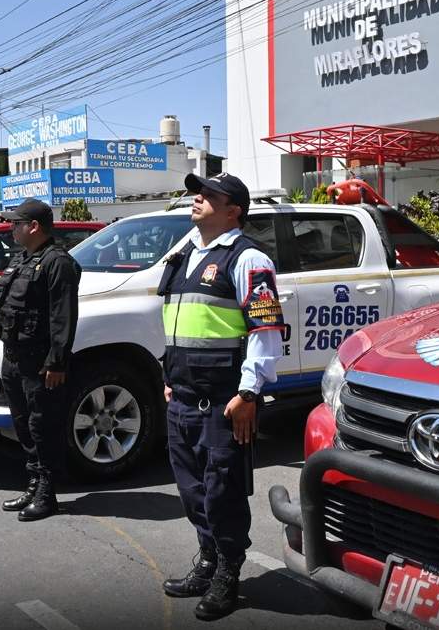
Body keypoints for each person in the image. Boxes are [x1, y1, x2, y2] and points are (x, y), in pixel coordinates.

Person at [158, 173, 284, 621]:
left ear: (234, 210)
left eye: (210, 194)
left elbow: (265, 330)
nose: (199, 198)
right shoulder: (184, 254)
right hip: (182, 398)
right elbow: (178, 323)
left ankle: (228, 571)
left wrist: (249, 392)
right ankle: (207, 560)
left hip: (224, 402)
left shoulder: (248, 259)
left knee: (222, 490)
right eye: (198, 192)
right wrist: (169, 374)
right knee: (191, 489)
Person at [0, 198, 81, 522]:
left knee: (42, 426)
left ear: (34, 227)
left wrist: (57, 362)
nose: (11, 228)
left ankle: (48, 491)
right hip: (14, 356)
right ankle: (33, 482)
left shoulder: (58, 263)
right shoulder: (22, 259)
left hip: (40, 363)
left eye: (16, 223)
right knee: (23, 425)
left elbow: (63, 317)